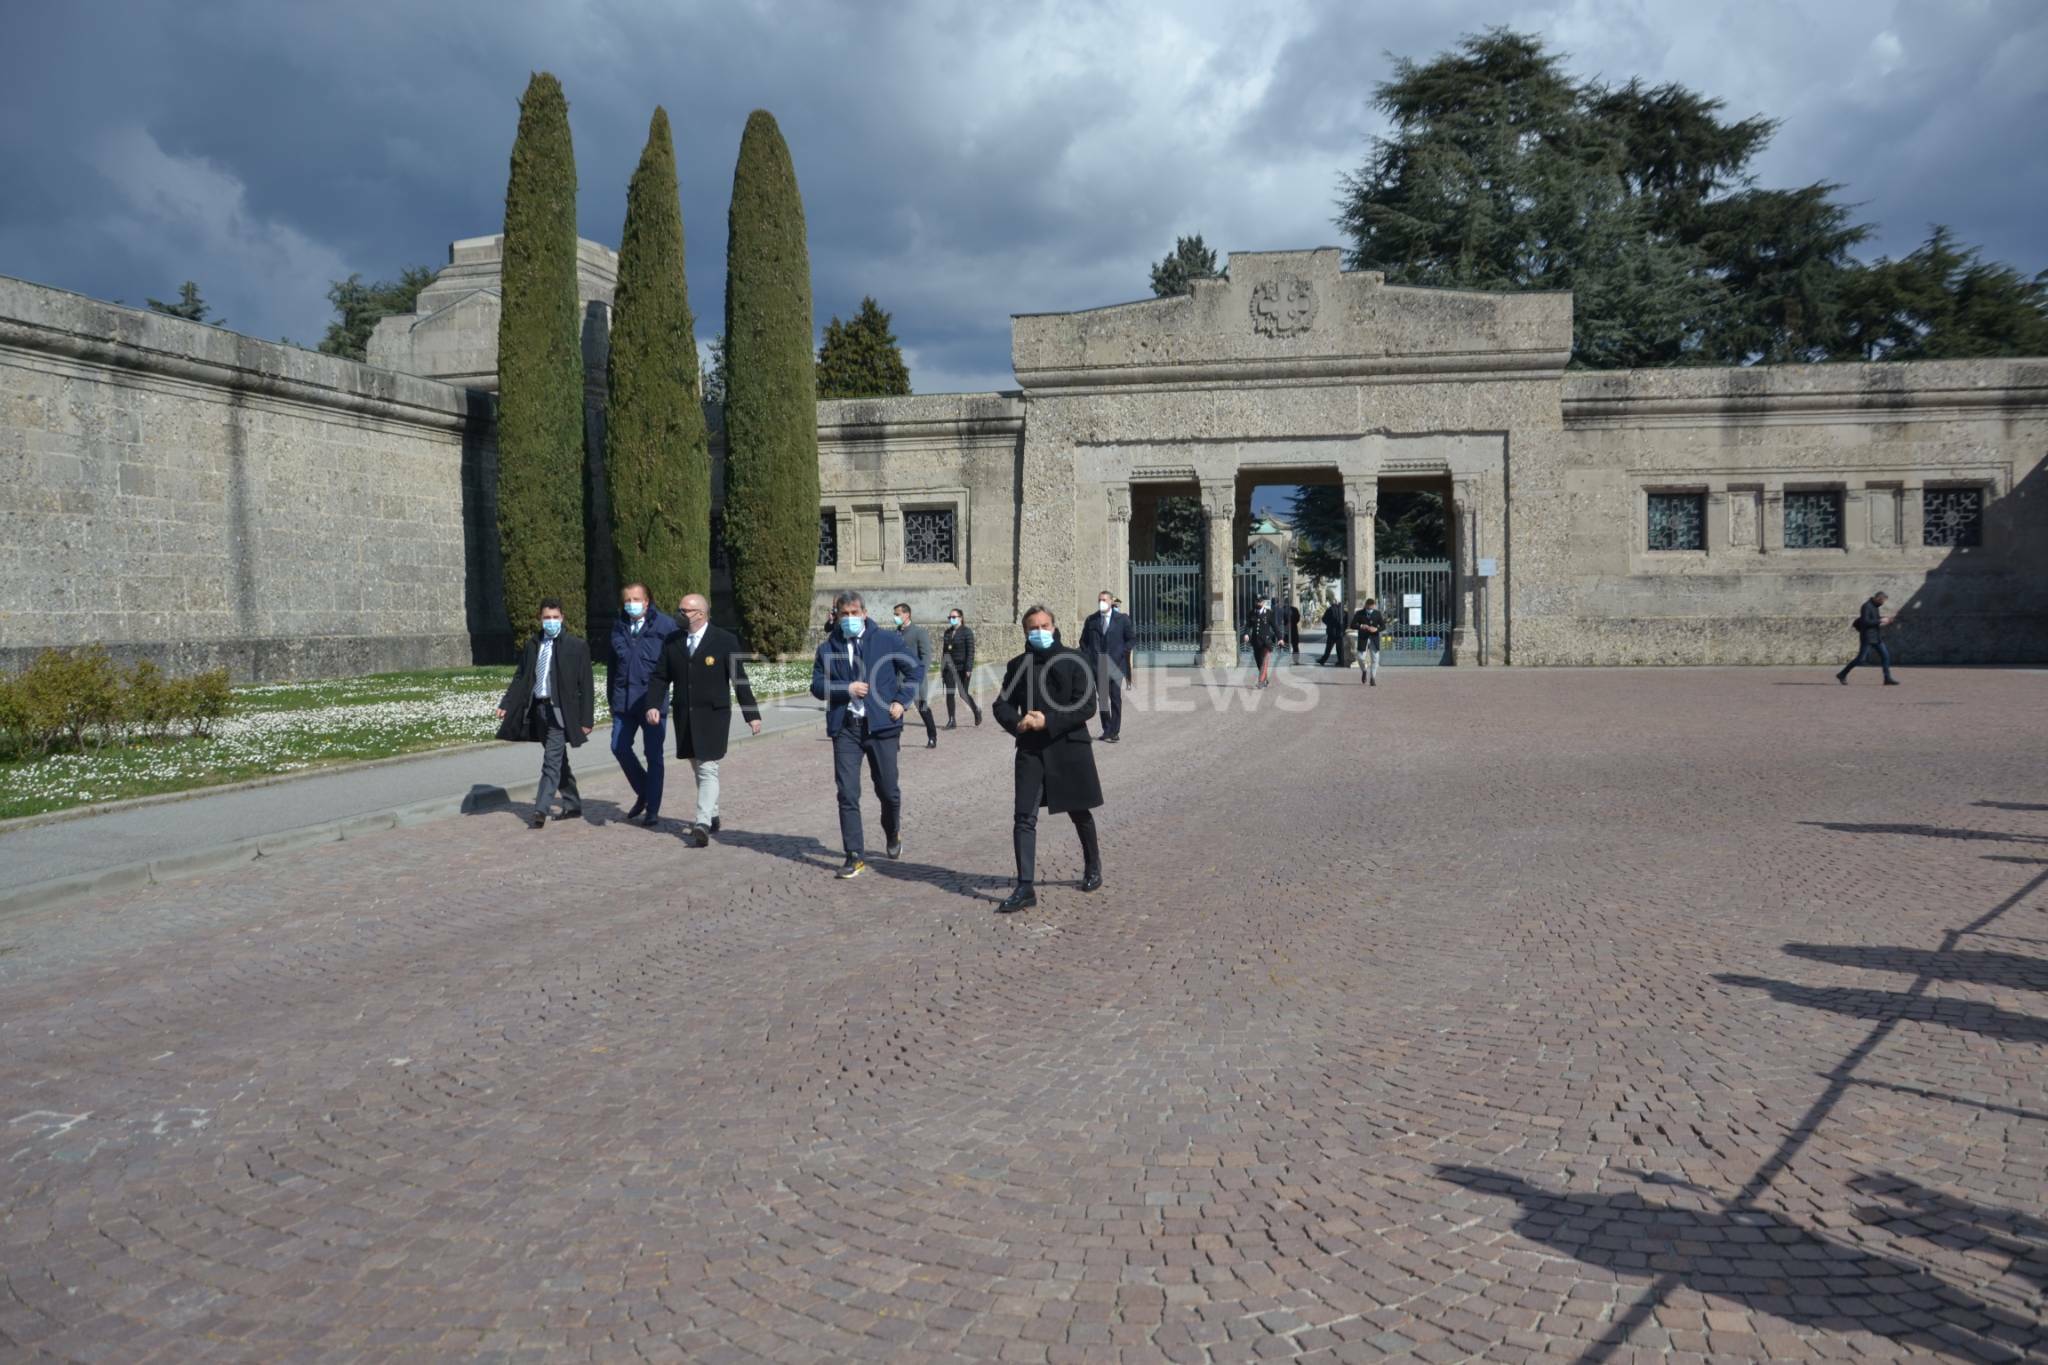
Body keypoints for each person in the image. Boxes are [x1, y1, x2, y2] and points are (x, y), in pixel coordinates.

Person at [993, 605, 1104, 912]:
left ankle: (1093, 865)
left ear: (1054, 627)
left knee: (1079, 811)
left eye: (1044, 625)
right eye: (1033, 627)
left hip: (1069, 747)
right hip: (1031, 749)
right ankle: (1025, 886)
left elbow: (1086, 706)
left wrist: (1048, 720)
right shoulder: (1018, 665)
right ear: (1025, 631)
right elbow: (1000, 705)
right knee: (1023, 818)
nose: (1039, 631)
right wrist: (1018, 722)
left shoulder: (1076, 660)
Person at [810, 591, 921, 879]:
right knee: (847, 792)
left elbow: (914, 671)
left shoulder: (887, 640)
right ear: (836, 615)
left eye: (854, 613)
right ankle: (854, 854)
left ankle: (892, 831)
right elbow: (817, 685)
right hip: (845, 728)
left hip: (882, 727)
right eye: (843, 614)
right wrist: (845, 689)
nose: (849, 619)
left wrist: (901, 701)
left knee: (888, 791)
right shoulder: (827, 648)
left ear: (864, 613)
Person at [646, 593, 761, 846]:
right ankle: (714, 813)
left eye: (684, 610)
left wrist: (751, 715)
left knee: (708, 767)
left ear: (700, 614)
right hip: (685, 715)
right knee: (697, 765)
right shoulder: (673, 641)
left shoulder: (724, 640)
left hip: (713, 715)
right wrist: (653, 704)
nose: (679, 614)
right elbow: (660, 677)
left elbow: (739, 679)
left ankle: (702, 822)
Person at [494, 598, 594, 828]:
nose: (550, 622)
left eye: (555, 618)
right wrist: (507, 703)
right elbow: (521, 677)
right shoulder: (533, 644)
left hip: (560, 712)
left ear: (562, 618)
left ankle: (540, 809)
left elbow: (586, 686)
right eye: (546, 618)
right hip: (538, 710)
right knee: (559, 761)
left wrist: (586, 719)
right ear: (540, 619)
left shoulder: (576, 646)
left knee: (550, 761)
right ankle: (573, 803)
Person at [608, 582, 679, 827]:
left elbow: (674, 664)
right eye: (627, 600)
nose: (631, 604)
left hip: (652, 702)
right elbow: (612, 668)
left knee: (653, 755)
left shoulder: (665, 625)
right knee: (618, 746)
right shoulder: (619, 627)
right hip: (624, 701)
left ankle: (653, 809)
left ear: (647, 601)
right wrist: (612, 701)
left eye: (636, 599)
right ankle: (645, 792)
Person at [1078, 588, 1134, 743]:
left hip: (1117, 664)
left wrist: (1122, 651)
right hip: (1099, 665)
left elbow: (1131, 639)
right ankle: (1107, 729)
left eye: (1104, 600)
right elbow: (1083, 641)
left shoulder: (1122, 619)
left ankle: (1115, 731)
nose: (1101, 603)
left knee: (1115, 697)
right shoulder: (1092, 620)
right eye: (1099, 600)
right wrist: (1089, 655)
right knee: (1102, 699)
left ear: (1111, 601)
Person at [893, 603, 939, 749]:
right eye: (895, 614)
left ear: (907, 614)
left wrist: (919, 675)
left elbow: (926, 656)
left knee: (922, 708)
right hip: (898, 679)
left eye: (897, 614)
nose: (895, 617)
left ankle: (932, 736)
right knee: (896, 710)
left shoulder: (919, 632)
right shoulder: (895, 633)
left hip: (915, 679)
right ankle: (895, 742)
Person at [1837, 590, 1900, 685]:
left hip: (1876, 637)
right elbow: (1866, 622)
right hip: (1867, 637)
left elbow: (1875, 618)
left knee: (1885, 656)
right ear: (1879, 599)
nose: (1883, 603)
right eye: (1883, 601)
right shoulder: (1866, 606)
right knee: (1860, 659)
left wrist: (1885, 619)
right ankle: (1842, 674)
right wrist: (1880, 620)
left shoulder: (1875, 606)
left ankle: (1887, 678)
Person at [941, 607, 981, 728]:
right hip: (949, 668)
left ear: (961, 618)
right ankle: (952, 720)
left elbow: (971, 651)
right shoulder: (947, 632)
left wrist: (969, 668)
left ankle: (976, 710)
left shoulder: (966, 632)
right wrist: (943, 668)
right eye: (950, 617)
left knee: (963, 693)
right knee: (950, 693)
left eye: (954, 617)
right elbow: (944, 652)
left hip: (962, 667)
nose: (951, 619)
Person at [1242, 596, 1279, 688]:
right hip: (1256, 641)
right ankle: (1265, 680)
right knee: (1259, 662)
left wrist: (1280, 638)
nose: (1258, 604)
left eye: (1260, 602)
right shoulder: (1251, 613)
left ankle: (1261, 681)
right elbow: (1248, 625)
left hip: (1266, 642)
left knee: (1264, 662)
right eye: (1256, 602)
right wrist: (1246, 634)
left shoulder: (1269, 613)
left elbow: (1275, 626)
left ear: (1263, 603)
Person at [1351, 597, 1385, 686]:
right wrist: (1361, 626)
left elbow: (1383, 626)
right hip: (1363, 638)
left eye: (1372, 607)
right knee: (1360, 657)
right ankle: (1364, 670)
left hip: (1374, 638)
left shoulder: (1377, 613)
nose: (1370, 609)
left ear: (1374, 606)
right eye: (1369, 608)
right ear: (1366, 605)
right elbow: (1352, 625)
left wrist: (1376, 629)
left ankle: (1372, 678)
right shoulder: (1359, 613)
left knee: (1375, 659)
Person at [1318, 598, 1348, 666]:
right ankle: (1340, 661)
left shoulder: (1329, 610)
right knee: (1339, 648)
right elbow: (1347, 621)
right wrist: (1344, 628)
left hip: (1331, 632)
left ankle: (1323, 660)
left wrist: (1329, 624)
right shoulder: (1344, 612)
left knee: (1328, 648)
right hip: (1340, 632)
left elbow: (1323, 619)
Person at [1285, 599, 1302, 663]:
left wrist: (1290, 623)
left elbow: (1298, 618)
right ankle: (1295, 660)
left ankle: (1295, 660)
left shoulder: (1294, 609)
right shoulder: (1294, 609)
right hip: (1290, 629)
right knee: (1293, 646)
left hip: (1290, 629)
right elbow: (1298, 618)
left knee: (1294, 646)